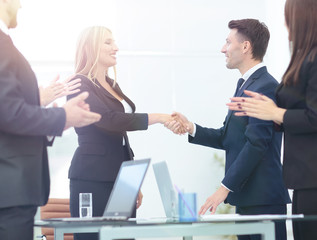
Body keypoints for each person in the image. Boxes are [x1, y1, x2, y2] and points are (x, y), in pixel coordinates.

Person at [166, 19, 290, 240]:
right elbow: (228, 138)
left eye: (227, 42)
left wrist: (224, 188)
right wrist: (191, 127)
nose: (223, 49)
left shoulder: (265, 86)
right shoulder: (246, 84)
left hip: (262, 199)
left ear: (245, 47)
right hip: (249, 197)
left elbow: (257, 143)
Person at [0, 0, 101, 240]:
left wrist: (53, 118)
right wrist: (62, 115)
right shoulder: (2, 44)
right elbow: (8, 113)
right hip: (10, 189)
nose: (21, 7)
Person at [67, 26, 173, 240]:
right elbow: (108, 120)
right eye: (108, 42)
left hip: (121, 179)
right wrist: (159, 117)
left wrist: (130, 181)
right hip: (92, 177)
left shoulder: (111, 84)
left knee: (124, 238)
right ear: (90, 47)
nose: (115, 47)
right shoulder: (78, 83)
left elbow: (120, 137)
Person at [227, 0, 317, 239]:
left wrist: (274, 113)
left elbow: (314, 116)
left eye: (288, 17)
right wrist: (262, 112)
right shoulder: (303, 57)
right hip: (302, 178)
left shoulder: (313, 60)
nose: (286, 25)